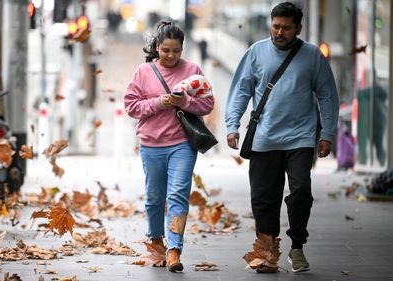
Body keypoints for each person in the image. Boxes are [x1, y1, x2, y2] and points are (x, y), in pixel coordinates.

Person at [225, 2, 339, 273]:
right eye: (276, 26)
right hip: (264, 138)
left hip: (300, 138)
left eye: (286, 28)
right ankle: (266, 251)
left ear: (298, 28)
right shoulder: (256, 53)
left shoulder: (312, 56)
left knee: (301, 190)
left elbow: (327, 95)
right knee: (264, 198)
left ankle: (297, 245)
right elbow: (241, 90)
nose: (279, 32)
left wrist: (328, 133)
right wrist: (232, 125)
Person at [124, 21, 214, 272]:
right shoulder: (144, 72)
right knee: (154, 197)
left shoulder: (193, 69)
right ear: (157, 47)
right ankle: (156, 243)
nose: (171, 56)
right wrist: (160, 103)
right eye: (165, 50)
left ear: (182, 48)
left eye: (176, 50)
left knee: (178, 195)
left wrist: (184, 101)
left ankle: (174, 249)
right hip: (151, 144)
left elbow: (207, 104)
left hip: (182, 144)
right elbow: (131, 106)